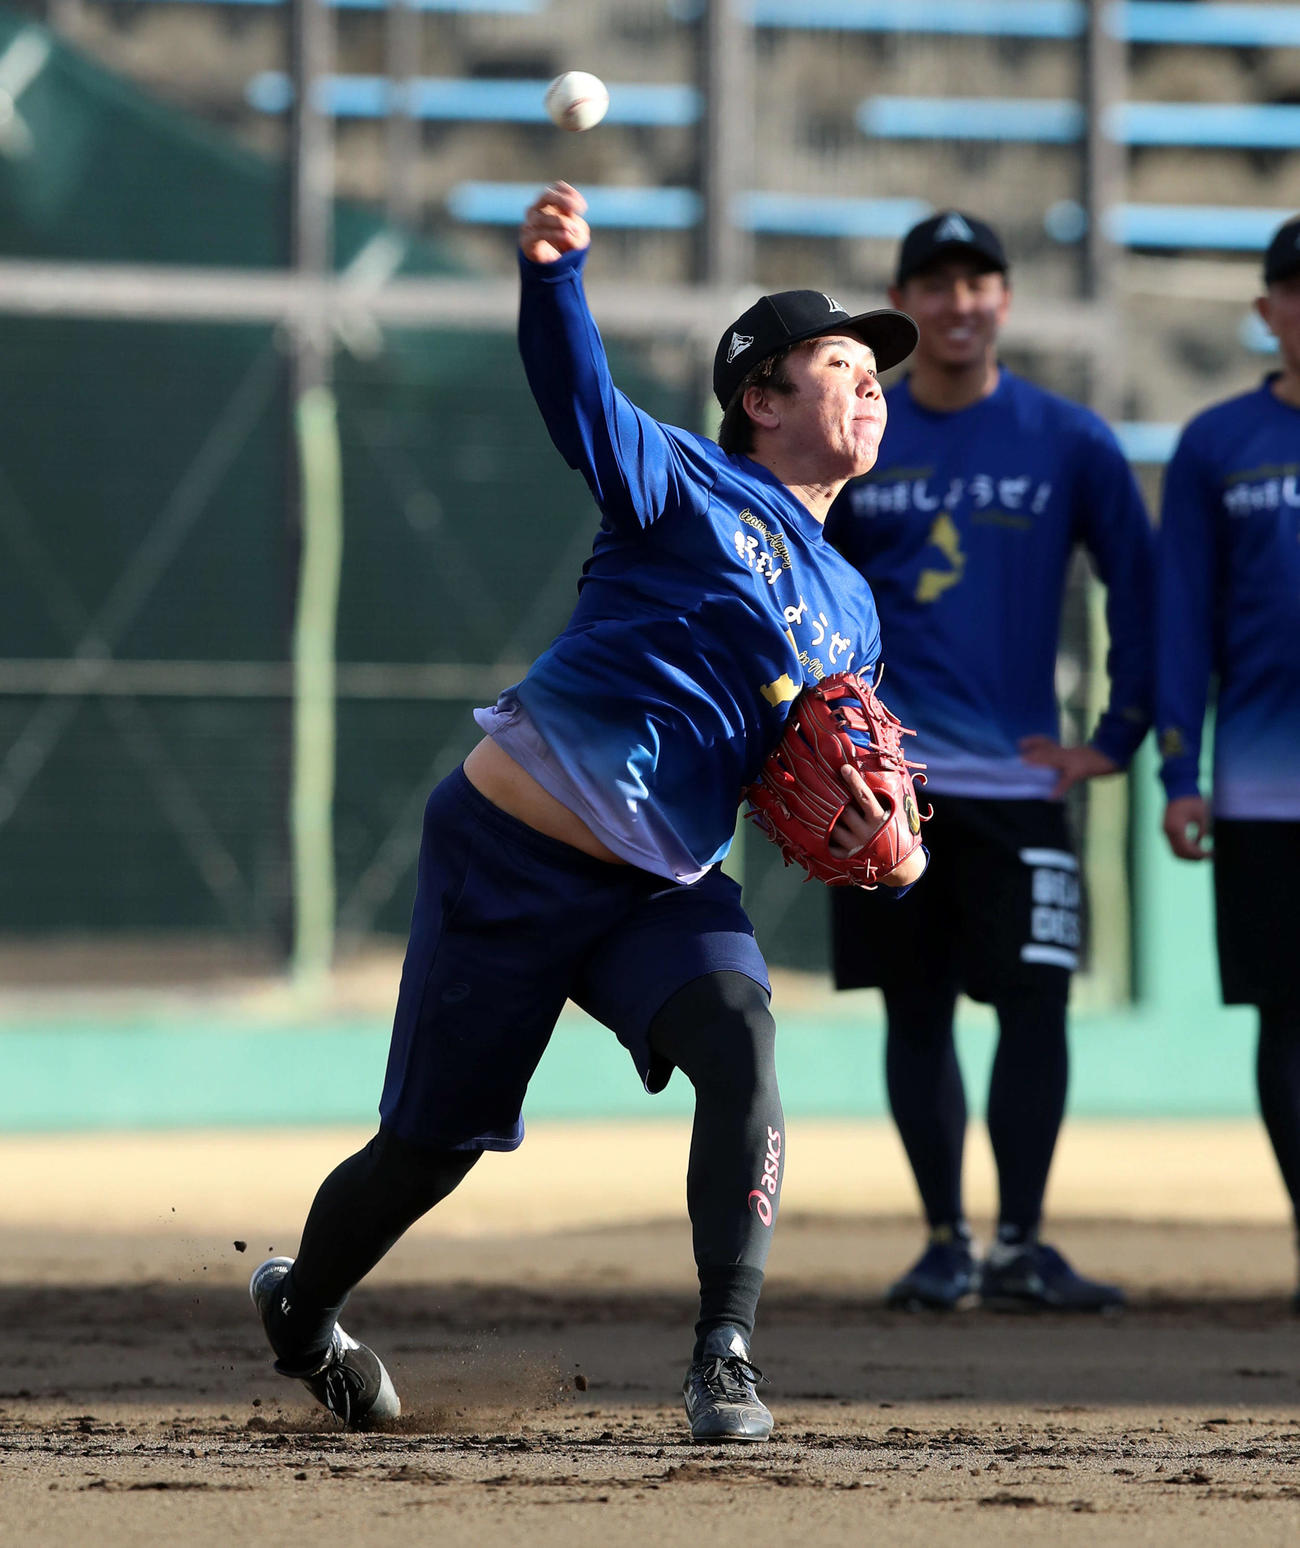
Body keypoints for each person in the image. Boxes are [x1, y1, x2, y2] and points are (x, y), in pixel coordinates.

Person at [249, 181, 925, 1440]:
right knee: (427, 1151)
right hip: (511, 855)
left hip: (659, 885)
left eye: (876, 369)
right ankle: (305, 1313)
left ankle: (723, 1351)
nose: (872, 382)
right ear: (761, 398)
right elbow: (578, 400)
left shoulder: (852, 600)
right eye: (841, 363)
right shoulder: (679, 482)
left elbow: (813, 761)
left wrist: (868, 827)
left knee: (742, 1039)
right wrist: (554, 277)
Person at [825, 211, 1154, 1311]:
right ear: (901, 302)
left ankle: (1018, 1243)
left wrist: (1116, 736)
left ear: (1003, 300)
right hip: (889, 791)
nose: (958, 301)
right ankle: (942, 1243)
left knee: (1035, 1008)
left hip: (1019, 788)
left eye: (978, 280)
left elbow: (1142, 585)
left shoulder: (1068, 439)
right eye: (935, 281)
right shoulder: (858, 436)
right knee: (912, 1011)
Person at [1156, 214, 1300, 1306]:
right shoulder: (1215, 444)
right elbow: (1181, 621)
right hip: (1262, 788)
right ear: (1266, 310)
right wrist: (1179, 772)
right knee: (1285, 1018)